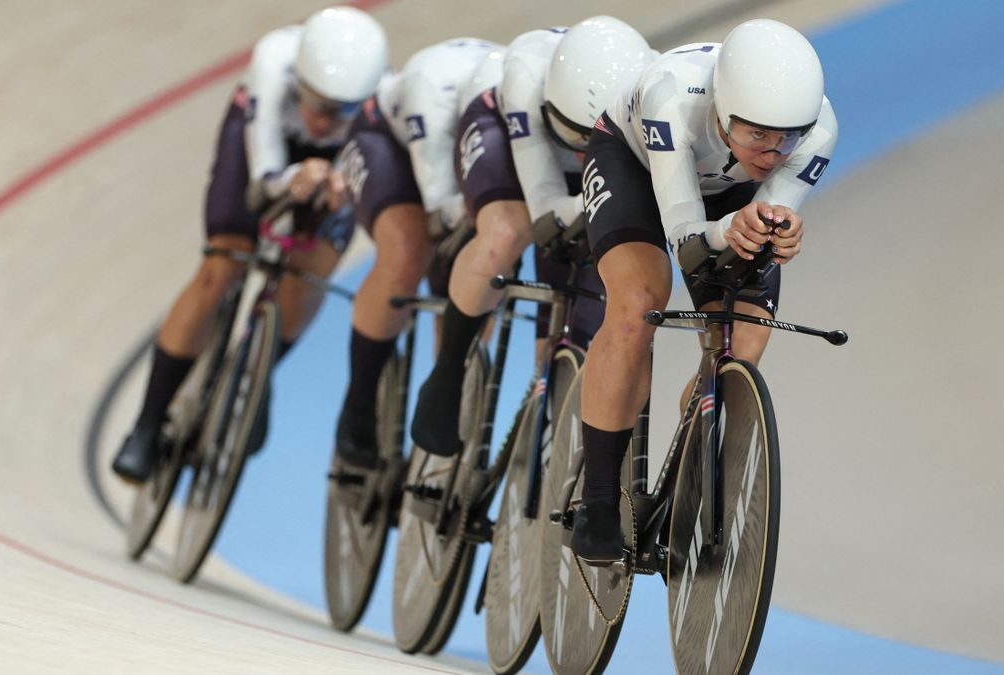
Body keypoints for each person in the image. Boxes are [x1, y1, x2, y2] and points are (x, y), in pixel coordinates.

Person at [571, 19, 838, 561]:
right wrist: (731, 227)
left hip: (727, 195)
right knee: (637, 303)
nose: (774, 151)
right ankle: (597, 497)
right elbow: (687, 237)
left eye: (788, 136)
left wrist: (778, 229)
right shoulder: (672, 95)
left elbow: (772, 210)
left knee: (743, 347)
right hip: (638, 168)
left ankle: (689, 474)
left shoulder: (820, 129)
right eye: (757, 133)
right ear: (720, 109)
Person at [112, 7, 388, 483]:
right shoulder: (274, 62)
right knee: (223, 265)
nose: (325, 122)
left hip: (330, 167)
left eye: (341, 111)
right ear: (298, 81)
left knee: (311, 272)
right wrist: (298, 177)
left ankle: (254, 374)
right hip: (263, 148)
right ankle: (146, 425)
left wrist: (340, 189)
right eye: (317, 104)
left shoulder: (379, 103)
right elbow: (262, 185)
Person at [409, 17, 655, 458]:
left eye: (592, 140)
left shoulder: (654, 87)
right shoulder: (524, 73)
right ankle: (445, 379)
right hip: (503, 133)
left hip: (611, 150)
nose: (583, 152)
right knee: (509, 229)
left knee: (585, 319)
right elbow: (544, 210)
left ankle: (547, 435)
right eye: (575, 136)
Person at [333, 38, 503, 468]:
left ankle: (443, 410)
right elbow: (439, 212)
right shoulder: (434, 93)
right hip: (386, 143)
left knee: (488, 272)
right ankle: (358, 405)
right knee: (411, 251)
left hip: (462, 149)